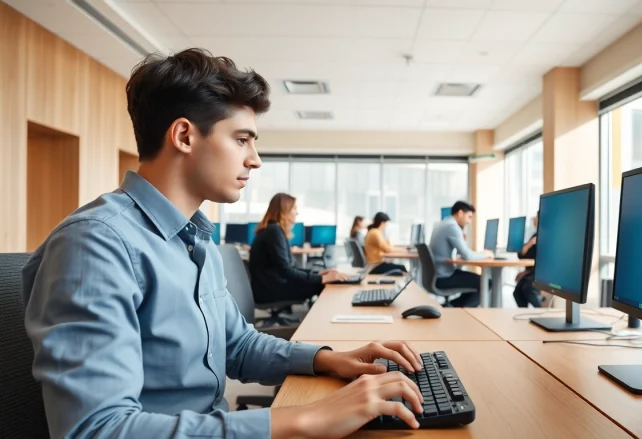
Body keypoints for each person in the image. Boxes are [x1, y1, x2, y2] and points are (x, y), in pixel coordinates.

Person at [20, 48, 425, 439]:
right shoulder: (95, 245)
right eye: (242, 139)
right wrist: (305, 418)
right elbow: (97, 429)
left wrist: (329, 360)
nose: (255, 159)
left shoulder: (194, 237)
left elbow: (238, 344)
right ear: (184, 136)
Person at [249, 193, 347, 303]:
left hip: (270, 287)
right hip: (270, 290)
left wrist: (317, 274)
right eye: (294, 208)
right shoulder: (274, 231)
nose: (297, 213)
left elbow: (290, 268)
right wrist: (322, 278)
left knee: (321, 282)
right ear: (285, 210)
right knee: (323, 284)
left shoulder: (272, 230)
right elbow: (286, 271)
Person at [429, 201, 493, 307]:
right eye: (469, 217)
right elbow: (468, 256)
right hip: (444, 277)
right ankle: (458, 310)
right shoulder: (452, 227)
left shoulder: (443, 224)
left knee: (475, 282)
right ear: (460, 213)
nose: (469, 222)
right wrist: (486, 254)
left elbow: (461, 253)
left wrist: (462, 239)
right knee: (486, 283)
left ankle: (452, 307)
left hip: (438, 275)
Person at [513, 211, 542, 308]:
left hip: (539, 273)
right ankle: (524, 311)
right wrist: (529, 244)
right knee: (517, 293)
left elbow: (543, 262)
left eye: (536, 217)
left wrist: (526, 272)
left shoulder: (545, 237)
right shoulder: (535, 236)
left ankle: (541, 310)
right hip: (531, 271)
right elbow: (522, 255)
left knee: (527, 288)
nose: (534, 219)